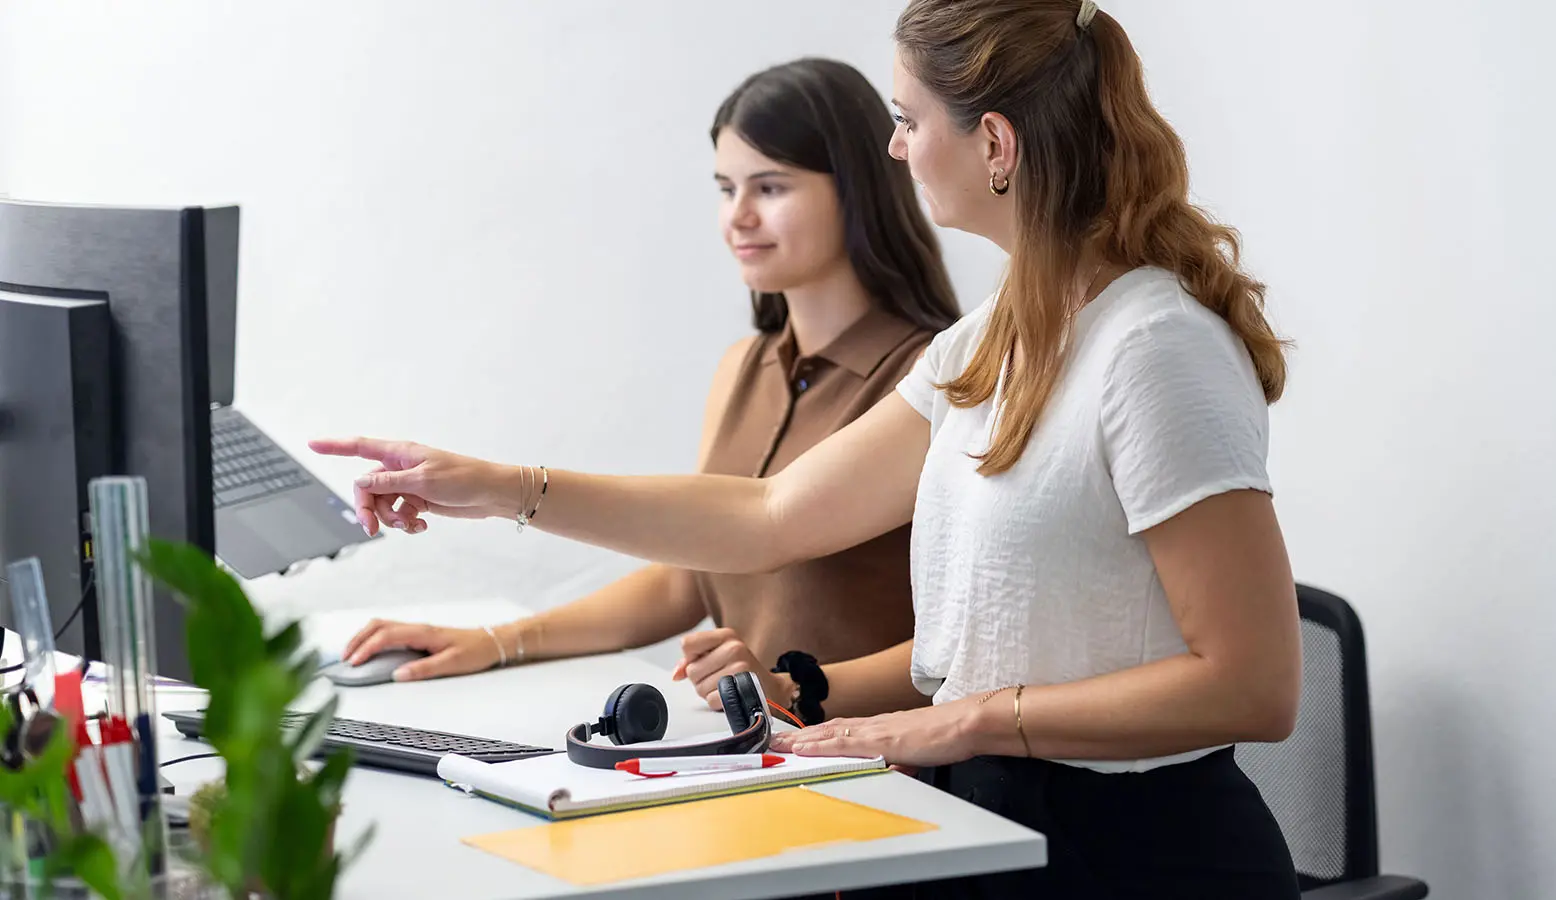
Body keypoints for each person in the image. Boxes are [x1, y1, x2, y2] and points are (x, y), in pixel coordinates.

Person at [313, 2, 1302, 897]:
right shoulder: (989, 343)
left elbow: (1253, 686)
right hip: (987, 816)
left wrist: (957, 720)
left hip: (1138, 857)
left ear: (993, 142)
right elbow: (768, 514)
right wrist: (498, 486)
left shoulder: (1154, 350)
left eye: (909, 119)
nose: (896, 144)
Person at [336, 57, 960, 725]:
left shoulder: (937, 378)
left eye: (771, 188)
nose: (739, 217)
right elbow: (686, 575)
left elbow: (959, 646)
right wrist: (497, 643)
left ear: (857, 189)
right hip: (747, 757)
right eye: (726, 189)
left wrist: (793, 689)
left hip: (873, 768)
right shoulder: (742, 367)